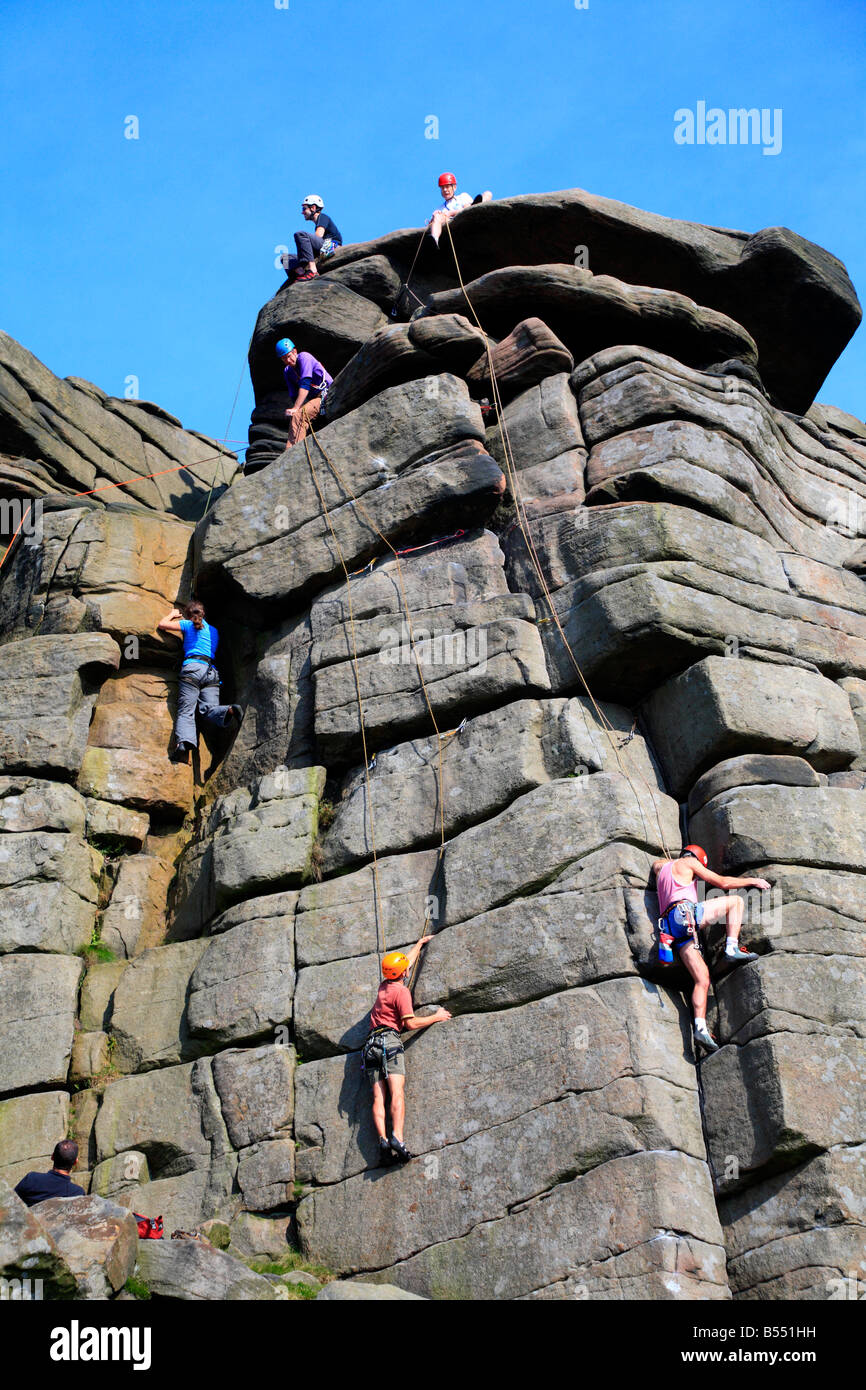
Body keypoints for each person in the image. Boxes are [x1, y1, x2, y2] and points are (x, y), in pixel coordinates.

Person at [652, 844, 768, 1054]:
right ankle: (731, 947)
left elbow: (657, 865)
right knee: (736, 902)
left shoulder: (662, 869)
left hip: (671, 929)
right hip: (684, 914)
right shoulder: (689, 862)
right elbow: (722, 882)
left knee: (702, 978)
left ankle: (701, 1029)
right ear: (695, 858)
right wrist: (752, 880)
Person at [362, 939, 451, 1166]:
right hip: (390, 1043)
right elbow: (409, 1024)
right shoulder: (401, 992)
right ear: (404, 974)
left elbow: (403, 964)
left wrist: (419, 945)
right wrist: (436, 1017)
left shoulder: (384, 985)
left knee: (378, 1097)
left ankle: (382, 1140)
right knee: (397, 1093)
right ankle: (397, 1138)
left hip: (370, 1046)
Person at [156, 600, 241, 761]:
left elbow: (162, 624)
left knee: (186, 711)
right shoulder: (214, 631)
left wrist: (173, 614)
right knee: (209, 710)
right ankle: (229, 710)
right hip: (211, 672)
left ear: (188, 614)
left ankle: (183, 745)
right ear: (203, 614)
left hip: (192, 669)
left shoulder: (187, 625)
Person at [275, 338, 333, 447]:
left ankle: (291, 454)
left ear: (295, 352)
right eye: (284, 358)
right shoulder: (288, 371)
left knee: (299, 416)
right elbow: (294, 396)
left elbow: (305, 385)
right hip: (316, 399)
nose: (288, 360)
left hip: (327, 393)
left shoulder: (304, 357)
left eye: (289, 356)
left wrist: (296, 409)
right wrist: (293, 410)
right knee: (296, 417)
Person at [288, 195, 343, 281]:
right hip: (322, 248)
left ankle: (312, 271)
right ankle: (301, 273)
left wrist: (305, 246)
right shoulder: (319, 221)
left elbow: (318, 235)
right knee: (285, 258)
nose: (302, 212)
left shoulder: (323, 217)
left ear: (313, 208)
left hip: (330, 246)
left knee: (300, 235)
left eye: (304, 209)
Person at [14, 1140, 85, 1207]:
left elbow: (11, 1202)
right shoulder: (77, 1193)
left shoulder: (32, 1178)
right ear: (75, 1162)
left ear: (52, 1157)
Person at [428, 172, 492, 245]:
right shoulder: (440, 208)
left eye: (447, 186)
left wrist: (451, 213)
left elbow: (467, 208)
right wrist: (433, 220)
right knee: (437, 217)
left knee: (487, 194)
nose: (445, 190)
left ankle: (477, 205)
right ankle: (434, 239)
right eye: (442, 188)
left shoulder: (463, 197)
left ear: (454, 187)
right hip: (454, 224)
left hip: (468, 215)